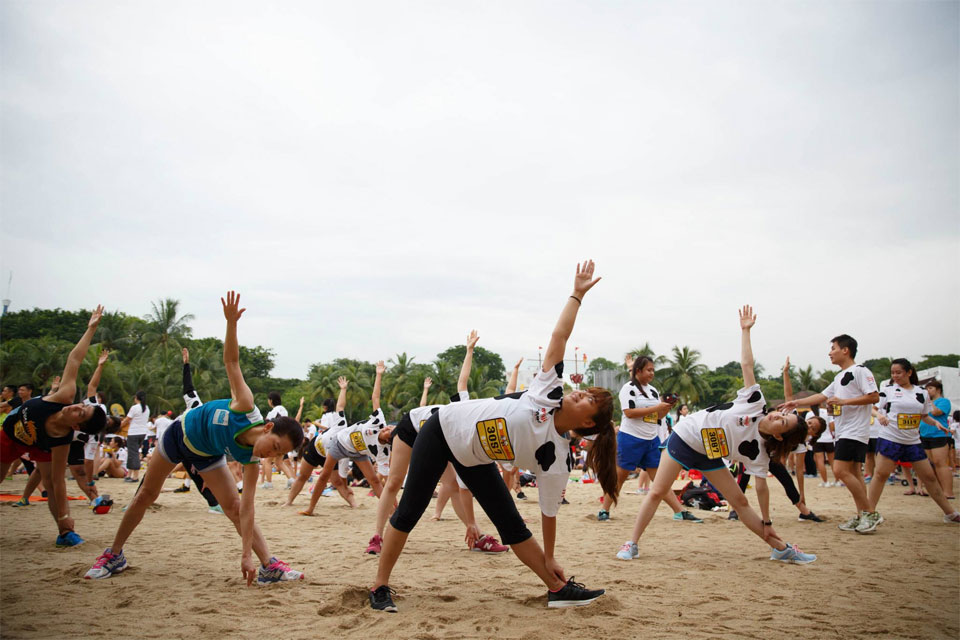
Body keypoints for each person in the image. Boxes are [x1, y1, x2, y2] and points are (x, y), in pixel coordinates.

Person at [370, 260, 617, 612]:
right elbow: (559, 337)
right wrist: (576, 294)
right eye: (586, 391)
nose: (582, 394)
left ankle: (556, 588)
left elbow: (549, 513)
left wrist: (550, 558)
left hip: (475, 457)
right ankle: (379, 586)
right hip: (442, 430)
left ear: (590, 424)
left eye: (589, 400)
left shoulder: (558, 458)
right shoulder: (547, 392)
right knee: (411, 509)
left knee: (512, 524)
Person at [84, 291, 305, 585]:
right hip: (179, 435)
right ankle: (114, 555)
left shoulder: (251, 460)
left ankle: (269, 565)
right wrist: (231, 324)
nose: (269, 455)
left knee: (234, 507)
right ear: (267, 428)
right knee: (146, 495)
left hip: (206, 454)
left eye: (277, 455)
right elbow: (232, 363)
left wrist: (245, 555)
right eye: (274, 447)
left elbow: (248, 509)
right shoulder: (245, 406)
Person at [616, 306, 815, 565]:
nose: (776, 416)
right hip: (687, 436)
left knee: (740, 500)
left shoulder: (761, 451)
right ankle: (631, 544)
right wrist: (745, 331)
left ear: (780, 438)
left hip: (711, 451)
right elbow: (747, 364)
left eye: (783, 422)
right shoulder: (756, 403)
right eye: (781, 414)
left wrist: (767, 521)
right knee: (658, 491)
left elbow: (762, 488)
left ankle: (780, 548)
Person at [369, 332, 507, 556]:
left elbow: (463, 489)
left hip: (438, 439)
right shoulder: (467, 411)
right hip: (412, 428)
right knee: (394, 483)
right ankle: (377, 537)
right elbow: (462, 380)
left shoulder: (470, 439)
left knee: (451, 485)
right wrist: (469, 351)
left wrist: (472, 523)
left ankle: (478, 537)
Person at [0, 306, 108, 547]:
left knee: (49, 482)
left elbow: (58, 483)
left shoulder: (61, 442)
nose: (75, 406)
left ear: (78, 425)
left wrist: (65, 516)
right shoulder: (64, 395)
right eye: (81, 404)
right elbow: (75, 359)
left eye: (80, 411)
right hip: (10, 434)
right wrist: (91, 329)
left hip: (40, 445)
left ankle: (64, 533)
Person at [783, 334, 879, 532]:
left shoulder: (860, 371)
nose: (830, 353)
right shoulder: (839, 377)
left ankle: (871, 513)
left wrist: (844, 402)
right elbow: (822, 396)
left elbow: (874, 396)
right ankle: (863, 515)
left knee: (840, 471)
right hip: (845, 431)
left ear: (845, 350)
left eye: (833, 348)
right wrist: (796, 402)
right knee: (854, 473)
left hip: (855, 431)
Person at [597, 355, 701, 524]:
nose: (652, 373)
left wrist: (666, 408)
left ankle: (679, 511)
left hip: (651, 439)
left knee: (661, 479)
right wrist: (656, 407)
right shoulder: (628, 389)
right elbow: (629, 413)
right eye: (649, 370)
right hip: (630, 438)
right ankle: (604, 510)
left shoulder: (653, 391)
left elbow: (657, 416)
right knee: (620, 477)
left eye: (653, 370)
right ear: (638, 371)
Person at [861, 359, 960, 531]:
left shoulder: (921, 392)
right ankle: (868, 513)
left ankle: (950, 513)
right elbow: (872, 407)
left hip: (913, 441)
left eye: (898, 372)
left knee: (929, 477)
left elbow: (924, 415)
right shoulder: (888, 390)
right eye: (892, 373)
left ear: (909, 372)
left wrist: (936, 424)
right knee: (880, 475)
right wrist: (879, 416)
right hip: (890, 438)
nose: (895, 376)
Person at [297, 361, 390, 517]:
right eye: (391, 428)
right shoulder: (379, 421)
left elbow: (388, 481)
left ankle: (391, 511)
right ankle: (310, 508)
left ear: (388, 441)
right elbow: (375, 397)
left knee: (373, 480)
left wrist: (395, 505)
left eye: (390, 432)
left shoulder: (383, 450)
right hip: (339, 444)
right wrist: (379, 375)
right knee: (324, 476)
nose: (388, 428)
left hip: (357, 452)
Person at [284, 385, 356, 507]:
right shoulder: (341, 425)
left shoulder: (344, 449)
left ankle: (354, 505)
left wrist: (345, 485)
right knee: (303, 476)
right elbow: (341, 406)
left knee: (337, 482)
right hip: (315, 448)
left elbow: (337, 477)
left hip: (328, 452)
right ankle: (288, 501)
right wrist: (343, 389)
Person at [921, 380, 954, 499]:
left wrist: (928, 400)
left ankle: (948, 492)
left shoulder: (944, 401)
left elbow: (936, 412)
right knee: (931, 464)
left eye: (930, 388)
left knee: (940, 463)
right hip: (925, 435)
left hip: (938, 434)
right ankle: (937, 490)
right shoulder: (926, 402)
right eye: (927, 388)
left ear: (938, 389)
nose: (928, 390)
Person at [124, 391, 151, 483]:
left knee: (133, 453)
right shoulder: (146, 408)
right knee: (133, 453)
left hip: (133, 432)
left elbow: (127, 420)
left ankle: (135, 476)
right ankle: (129, 474)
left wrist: (119, 426)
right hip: (143, 433)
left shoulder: (134, 408)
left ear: (136, 397)